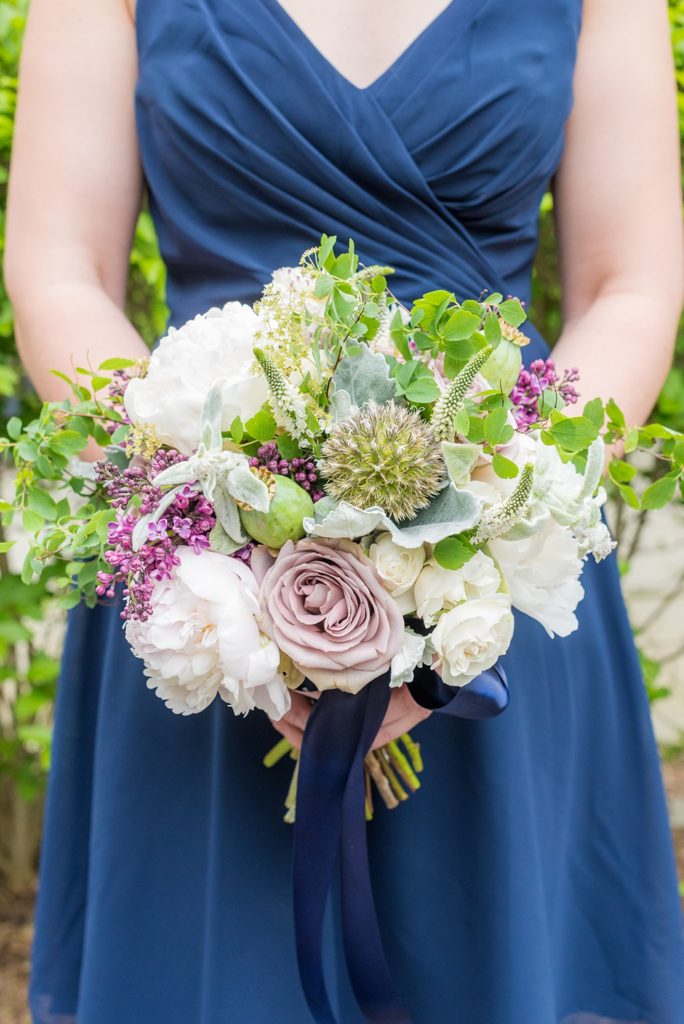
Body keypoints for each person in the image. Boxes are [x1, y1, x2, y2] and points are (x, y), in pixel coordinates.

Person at [5, 0, 684, 1021]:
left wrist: (489, 536)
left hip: (494, 589)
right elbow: (65, 273)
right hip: (200, 597)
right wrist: (214, 531)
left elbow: (625, 284)